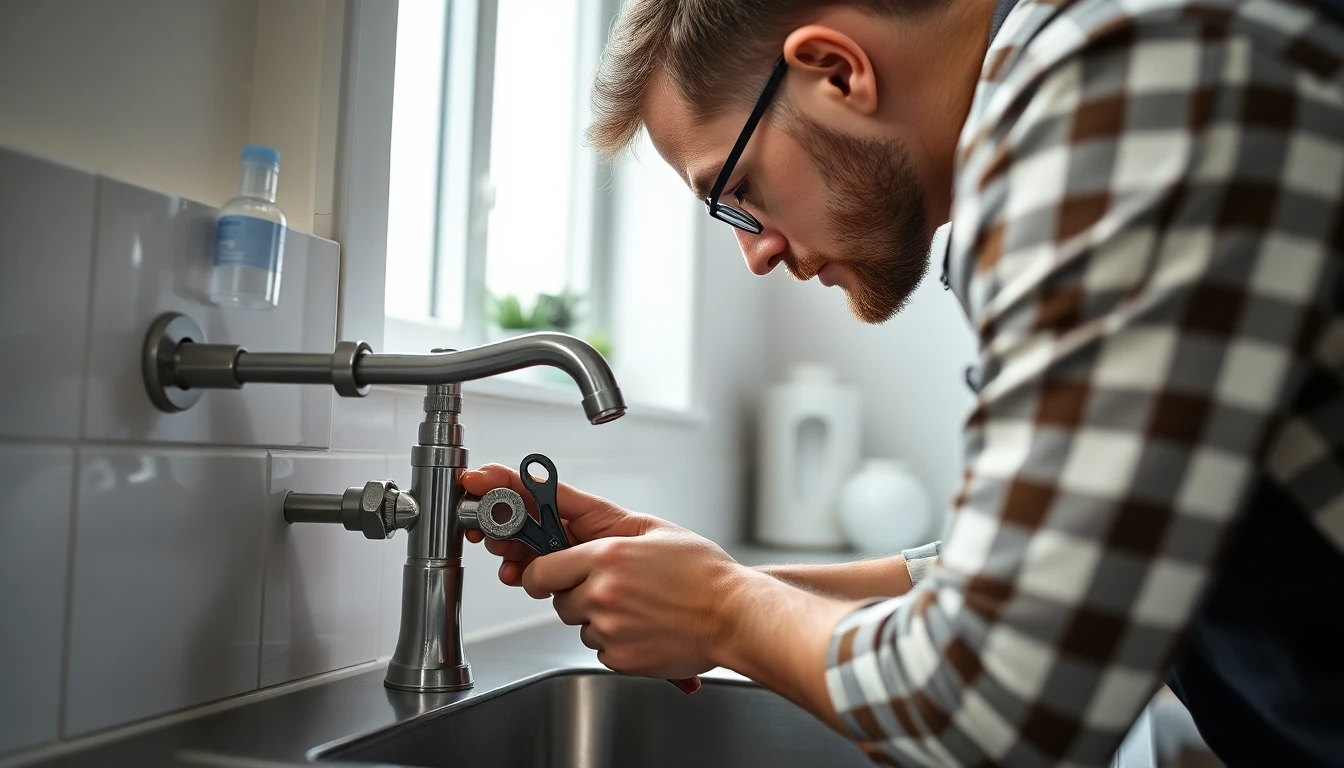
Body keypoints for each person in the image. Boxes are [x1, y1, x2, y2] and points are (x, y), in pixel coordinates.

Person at [463, 0, 1344, 764]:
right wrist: (727, 584)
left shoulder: (1115, 101)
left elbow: (994, 705)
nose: (757, 252)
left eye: (737, 194)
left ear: (835, 71)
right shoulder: (1102, 79)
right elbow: (1055, 565)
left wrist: (726, 610)